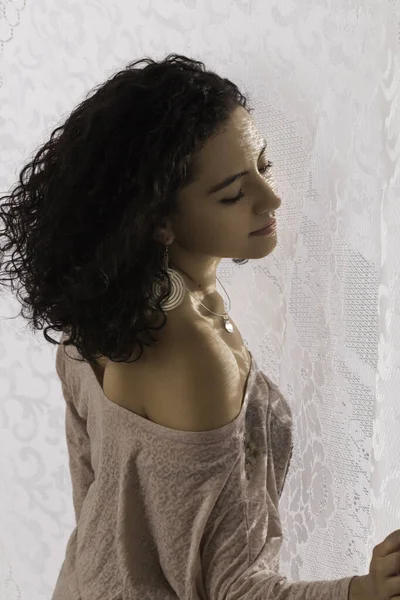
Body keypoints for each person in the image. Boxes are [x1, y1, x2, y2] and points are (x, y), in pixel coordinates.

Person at [0, 53, 390, 599]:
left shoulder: (99, 308)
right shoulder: (193, 355)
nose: (271, 197)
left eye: (263, 163)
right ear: (159, 220)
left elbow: (98, 513)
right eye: (233, 193)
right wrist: (363, 591)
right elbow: (236, 590)